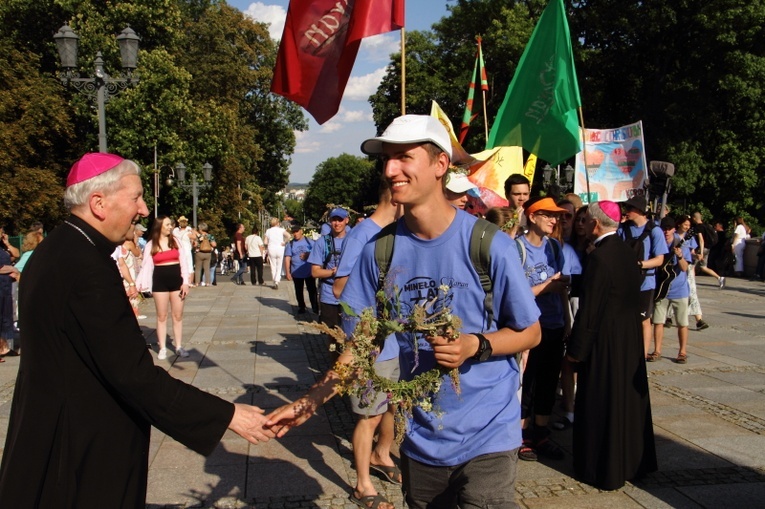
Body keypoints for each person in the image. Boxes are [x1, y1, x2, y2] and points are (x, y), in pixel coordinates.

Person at [267, 115, 541, 509]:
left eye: (404, 158)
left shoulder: (488, 244)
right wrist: (309, 402)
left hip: (489, 432)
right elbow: (359, 345)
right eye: (387, 160)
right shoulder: (379, 252)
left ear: (439, 165)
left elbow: (530, 332)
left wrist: (472, 345)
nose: (390, 169)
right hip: (421, 437)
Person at [0, 153, 274, 508]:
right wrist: (228, 414)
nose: (144, 210)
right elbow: (133, 374)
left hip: (54, 428)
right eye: (136, 198)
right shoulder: (87, 267)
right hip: (84, 445)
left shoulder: (55, 250)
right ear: (99, 203)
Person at [566, 200, 657, 491]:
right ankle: (632, 462)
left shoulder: (599, 257)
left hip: (605, 342)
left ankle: (602, 468)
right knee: (626, 404)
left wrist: (576, 352)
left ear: (595, 224)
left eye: (586, 222)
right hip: (628, 338)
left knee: (603, 403)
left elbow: (589, 311)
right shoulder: (625, 252)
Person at [331, 181, 403, 505]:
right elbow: (340, 288)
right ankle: (362, 485)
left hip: (392, 341)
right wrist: (362, 342)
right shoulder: (363, 235)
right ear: (395, 198)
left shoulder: (396, 232)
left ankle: (382, 456)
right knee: (369, 414)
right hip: (369, 341)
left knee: (389, 405)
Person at [516, 196, 571, 462]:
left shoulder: (554, 247)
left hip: (554, 324)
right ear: (533, 216)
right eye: (548, 215)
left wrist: (567, 320)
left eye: (556, 216)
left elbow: (561, 287)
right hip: (529, 327)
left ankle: (542, 432)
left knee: (549, 382)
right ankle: (522, 436)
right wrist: (545, 286)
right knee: (528, 384)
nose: (554, 220)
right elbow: (514, 294)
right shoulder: (518, 249)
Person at [618, 195, 669, 358]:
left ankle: (642, 354)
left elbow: (660, 259)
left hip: (645, 282)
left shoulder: (654, 230)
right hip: (625, 281)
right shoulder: (623, 229)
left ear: (639, 211)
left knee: (643, 319)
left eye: (630, 209)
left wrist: (639, 264)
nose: (626, 212)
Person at [136, 216, 191, 360]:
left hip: (176, 281)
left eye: (170, 225)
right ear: (159, 226)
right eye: (167, 225)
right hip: (159, 282)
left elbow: (183, 262)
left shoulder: (176, 241)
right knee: (162, 316)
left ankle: (178, 346)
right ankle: (162, 348)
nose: (170, 227)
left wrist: (185, 282)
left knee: (177, 315)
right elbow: (146, 266)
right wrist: (140, 284)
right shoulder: (151, 244)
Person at [649, 216, 694, 364]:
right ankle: (657, 351)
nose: (666, 232)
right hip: (662, 288)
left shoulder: (682, 244)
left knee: (682, 322)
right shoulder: (657, 241)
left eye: (669, 229)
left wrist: (680, 256)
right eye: (664, 229)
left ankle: (682, 352)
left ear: (674, 229)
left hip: (679, 289)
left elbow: (685, 268)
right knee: (658, 321)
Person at [309, 207, 349, 332]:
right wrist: (334, 272)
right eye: (334, 220)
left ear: (346, 220)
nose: (337, 223)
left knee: (351, 334)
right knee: (332, 334)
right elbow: (315, 272)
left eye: (340, 220)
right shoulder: (322, 242)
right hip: (329, 295)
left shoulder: (354, 240)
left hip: (350, 294)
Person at [676, 215, 708, 330]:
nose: (687, 227)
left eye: (688, 225)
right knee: (672, 291)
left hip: (687, 266)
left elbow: (692, 251)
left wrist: (696, 255)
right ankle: (668, 316)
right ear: (679, 224)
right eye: (685, 224)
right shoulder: (673, 235)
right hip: (674, 267)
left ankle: (699, 319)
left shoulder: (689, 237)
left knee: (692, 292)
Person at [284, 224, 318, 315]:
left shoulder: (309, 241)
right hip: (296, 272)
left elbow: (317, 251)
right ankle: (301, 307)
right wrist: (287, 272)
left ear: (301, 231)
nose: (295, 234)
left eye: (297, 231)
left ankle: (315, 307)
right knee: (298, 291)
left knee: (312, 290)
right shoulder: (290, 244)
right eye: (293, 232)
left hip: (309, 271)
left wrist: (308, 254)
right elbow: (287, 258)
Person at [113, 224, 144, 319]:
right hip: (129, 270)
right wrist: (136, 243)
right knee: (132, 295)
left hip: (121, 271)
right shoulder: (129, 244)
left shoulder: (117, 245)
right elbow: (138, 254)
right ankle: (135, 314)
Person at [0, 228, 20, 359]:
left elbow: (16, 254)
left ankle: (4, 347)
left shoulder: (3, 247)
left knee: (5, 316)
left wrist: (7, 243)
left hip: (6, 286)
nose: (2, 234)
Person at [691, 212, 724, 288]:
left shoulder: (698, 227)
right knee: (703, 267)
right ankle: (719, 278)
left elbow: (701, 240)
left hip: (701, 249)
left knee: (692, 266)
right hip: (708, 248)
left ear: (694, 218)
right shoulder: (707, 226)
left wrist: (701, 252)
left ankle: (691, 282)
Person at [503, 173, 531, 238]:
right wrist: (514, 221)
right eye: (517, 194)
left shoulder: (534, 218)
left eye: (525, 194)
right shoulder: (499, 217)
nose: (522, 198)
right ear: (507, 195)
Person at [264, 217, 287, 289]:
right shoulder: (281, 230)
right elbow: (289, 236)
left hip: (271, 249)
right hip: (280, 248)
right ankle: (277, 280)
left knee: (273, 266)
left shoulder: (268, 231)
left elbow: (265, 242)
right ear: (278, 223)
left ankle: (274, 282)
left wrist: (268, 244)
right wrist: (284, 242)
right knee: (279, 265)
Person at [173, 216, 195, 286]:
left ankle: (182, 281)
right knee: (189, 266)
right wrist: (193, 231)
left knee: (181, 265)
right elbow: (194, 237)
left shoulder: (176, 232)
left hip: (179, 250)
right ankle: (190, 282)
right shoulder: (188, 233)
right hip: (187, 250)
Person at [194, 222, 216, 287]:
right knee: (207, 268)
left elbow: (195, 244)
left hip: (199, 253)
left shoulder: (198, 236)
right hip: (208, 253)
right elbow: (214, 244)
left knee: (198, 269)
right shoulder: (210, 236)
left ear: (200, 229)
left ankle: (197, 283)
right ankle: (207, 282)